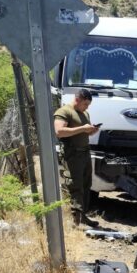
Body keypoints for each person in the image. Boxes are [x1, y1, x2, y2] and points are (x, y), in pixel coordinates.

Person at [54, 88, 100, 227]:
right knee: (76, 185)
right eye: (85, 104)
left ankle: (83, 215)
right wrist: (82, 129)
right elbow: (59, 132)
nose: (87, 107)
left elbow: (84, 133)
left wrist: (91, 131)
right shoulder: (64, 112)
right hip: (72, 154)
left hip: (85, 153)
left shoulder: (84, 113)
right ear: (77, 99)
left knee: (87, 184)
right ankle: (76, 219)